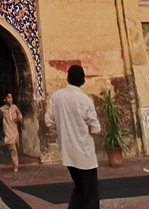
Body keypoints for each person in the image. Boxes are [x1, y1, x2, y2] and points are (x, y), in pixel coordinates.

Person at [44, 66, 100, 209]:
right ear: (83, 80)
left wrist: (64, 126)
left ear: (67, 78)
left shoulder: (57, 96)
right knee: (90, 194)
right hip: (85, 154)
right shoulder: (85, 100)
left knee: (79, 189)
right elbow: (96, 128)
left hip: (69, 154)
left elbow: (48, 121)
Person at [0, 93, 24, 173]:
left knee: (16, 145)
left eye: (11, 98)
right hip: (8, 130)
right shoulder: (2, 109)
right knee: (12, 147)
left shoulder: (15, 107)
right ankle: (16, 165)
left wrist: (18, 119)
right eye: (9, 97)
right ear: (5, 100)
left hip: (14, 129)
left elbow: (20, 116)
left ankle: (15, 161)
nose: (11, 99)